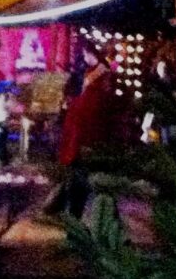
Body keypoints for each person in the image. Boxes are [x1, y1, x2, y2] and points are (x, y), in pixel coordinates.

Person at [45, 55, 124, 220]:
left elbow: (70, 129)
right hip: (96, 151)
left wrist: (68, 152)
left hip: (78, 151)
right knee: (99, 190)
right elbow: (111, 127)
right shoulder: (104, 101)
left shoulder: (80, 101)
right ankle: (105, 224)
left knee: (77, 190)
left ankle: (70, 221)